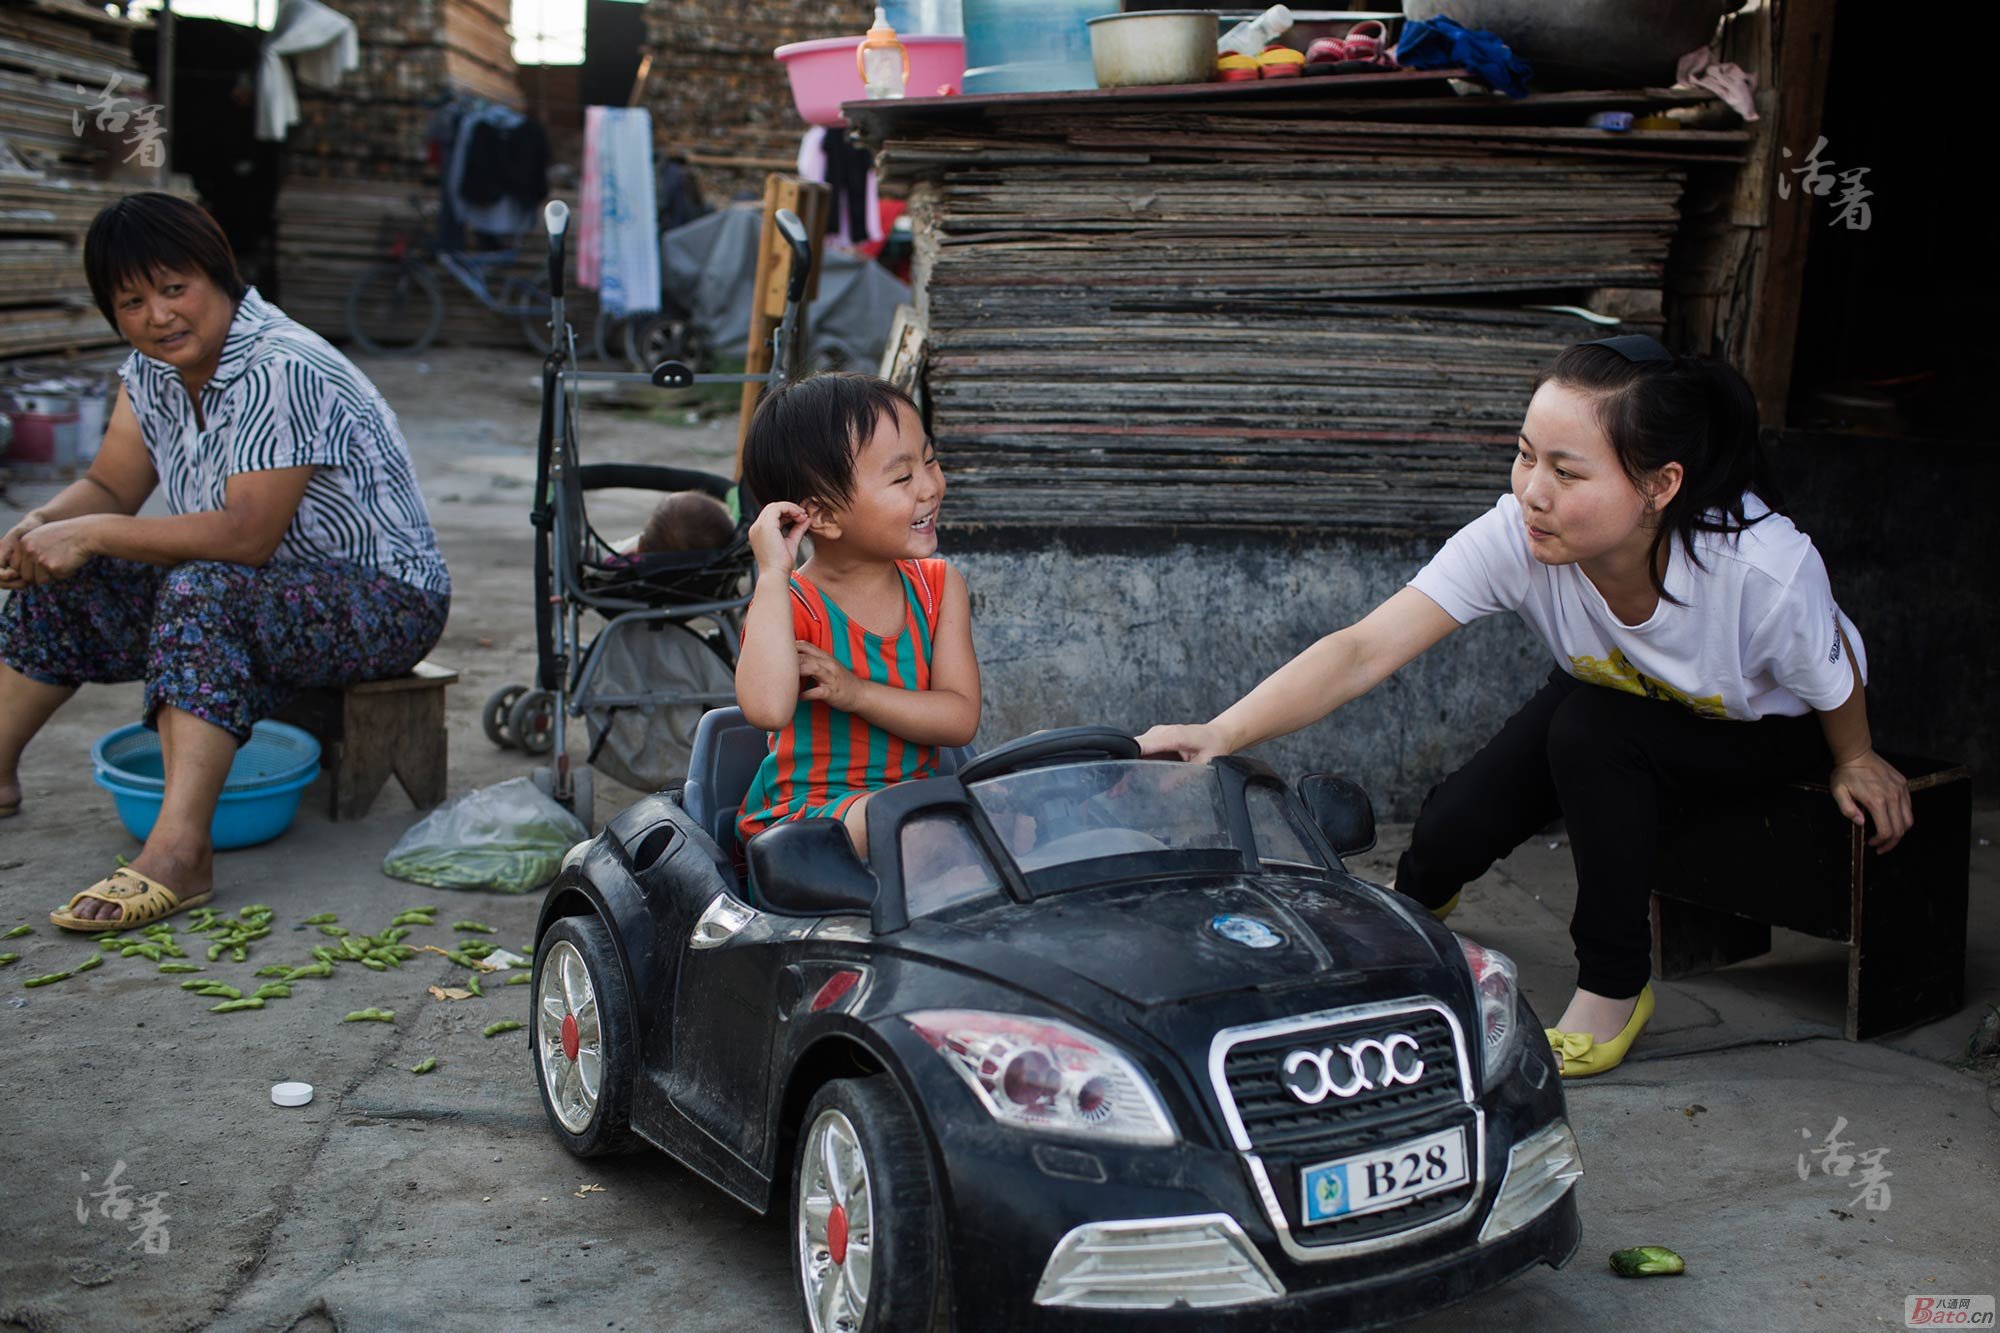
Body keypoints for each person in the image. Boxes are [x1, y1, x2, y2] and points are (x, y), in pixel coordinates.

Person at [1137, 335, 1912, 1078]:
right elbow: (1365, 647)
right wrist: (1219, 732)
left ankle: (1615, 986)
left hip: (1763, 727)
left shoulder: (1760, 569)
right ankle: (1429, 887)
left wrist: (1855, 755)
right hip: (1621, 694)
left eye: (1568, 473)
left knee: (1591, 729)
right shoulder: (1519, 535)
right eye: (1524, 454)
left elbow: (1832, 671)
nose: (1532, 491)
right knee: (1445, 834)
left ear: (1659, 485)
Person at [0, 192, 450, 930]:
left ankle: (179, 851)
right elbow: (113, 484)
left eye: (176, 289)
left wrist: (94, 532)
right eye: (133, 301)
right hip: (266, 587)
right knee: (69, 570)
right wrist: (45, 523)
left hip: (386, 599)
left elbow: (247, 537)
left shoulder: (281, 364)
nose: (159, 316)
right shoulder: (149, 370)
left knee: (201, 589)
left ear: (220, 277)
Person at [733, 373, 979, 860]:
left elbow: (959, 719)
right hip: (807, 822)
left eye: (929, 459)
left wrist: (857, 693)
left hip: (919, 807)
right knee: (914, 825)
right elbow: (765, 710)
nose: (930, 487)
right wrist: (771, 574)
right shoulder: (791, 603)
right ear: (822, 516)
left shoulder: (938, 587)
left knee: (1021, 798)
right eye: (903, 477)